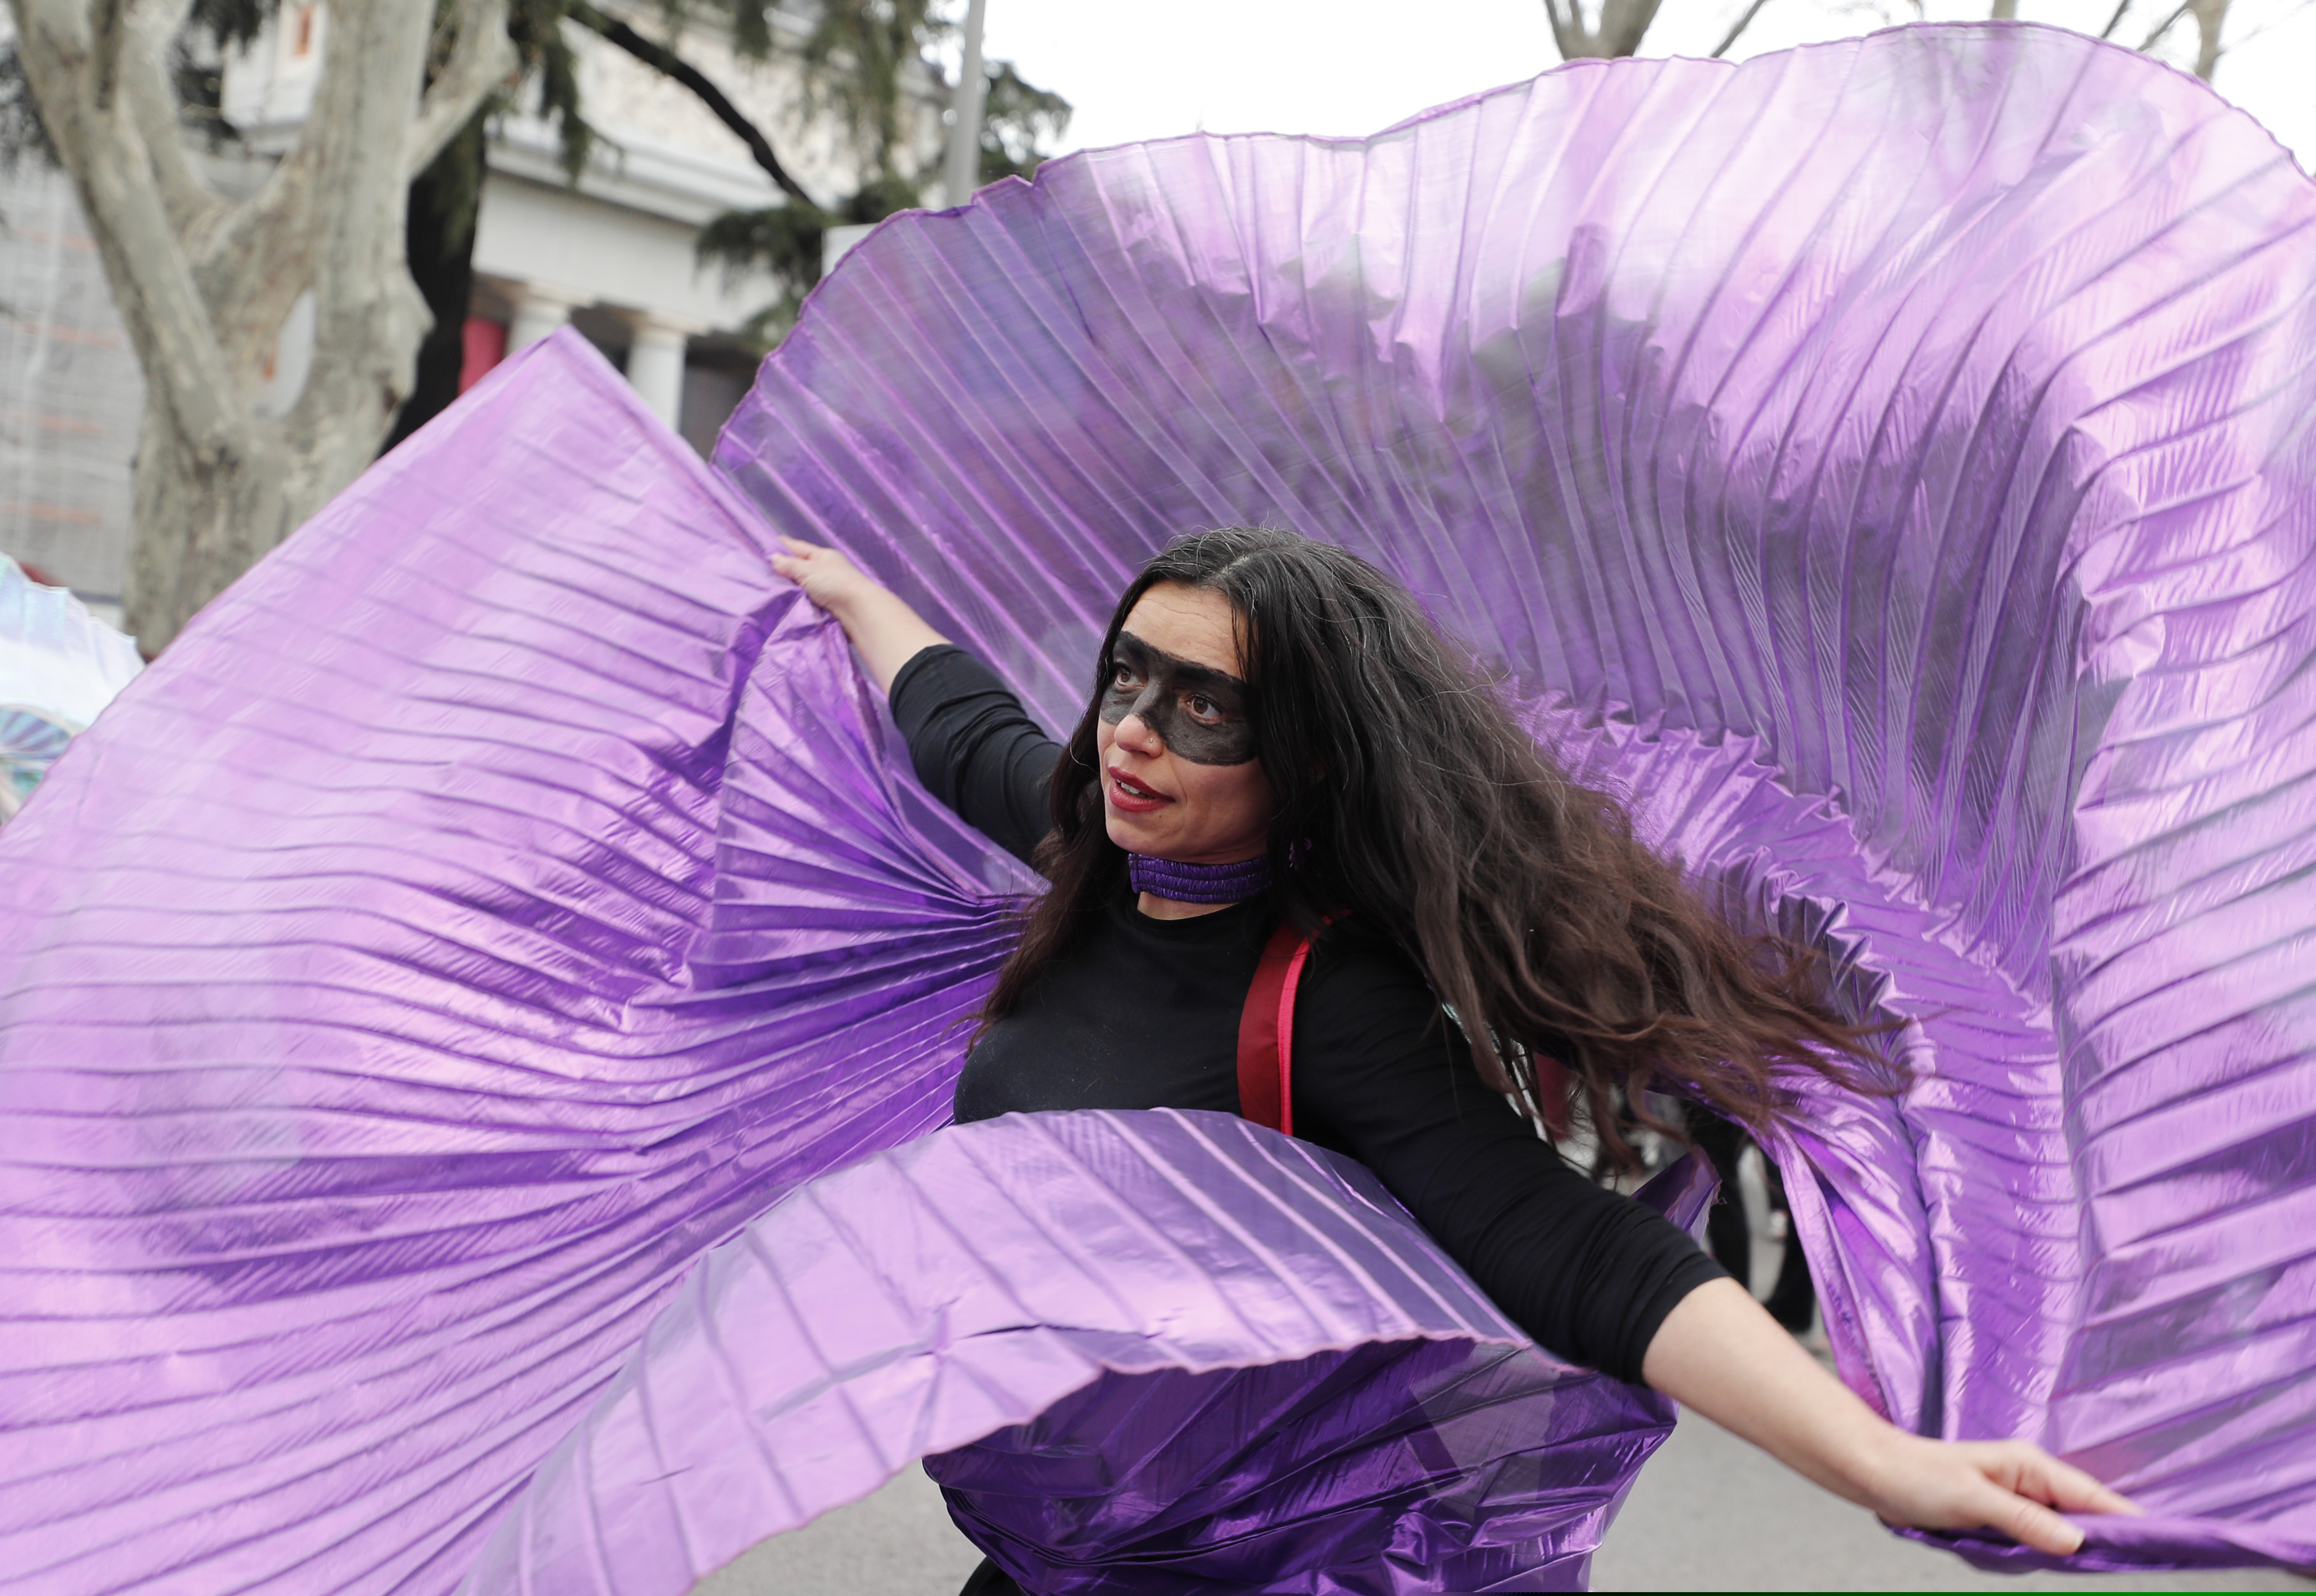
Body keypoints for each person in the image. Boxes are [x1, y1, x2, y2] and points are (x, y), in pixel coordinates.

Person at [770, 526, 2134, 1593]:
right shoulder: (1093, 845)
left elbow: (1576, 1248)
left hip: (1236, 1570)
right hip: (1045, 1552)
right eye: (1126, 672)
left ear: (1301, 755)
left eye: (1205, 707)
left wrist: (1880, 1461)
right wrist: (841, 590)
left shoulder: (1321, 1001)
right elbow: (959, 724)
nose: (1132, 727)